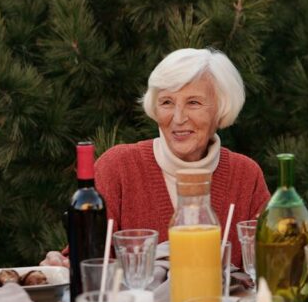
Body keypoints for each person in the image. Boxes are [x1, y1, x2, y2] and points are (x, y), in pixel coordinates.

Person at [44, 48, 269, 268]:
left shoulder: (246, 174)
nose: (178, 118)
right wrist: (61, 264)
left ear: (221, 108)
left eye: (193, 102)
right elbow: (85, 261)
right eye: (166, 102)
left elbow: (274, 262)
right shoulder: (117, 167)